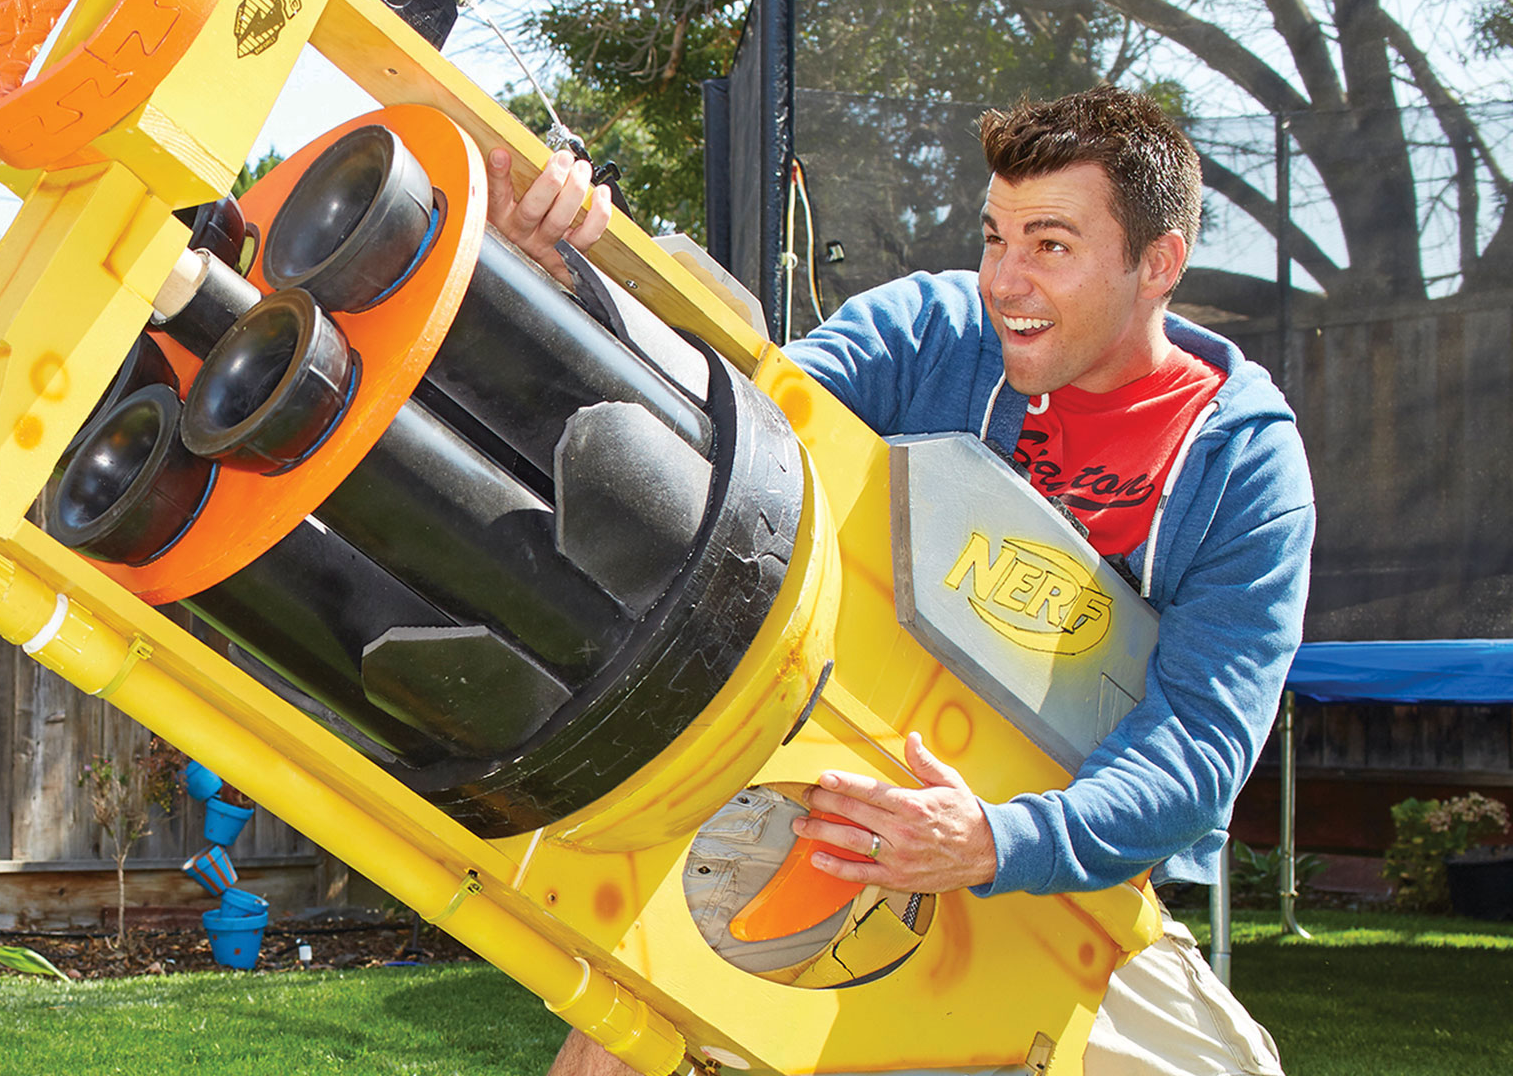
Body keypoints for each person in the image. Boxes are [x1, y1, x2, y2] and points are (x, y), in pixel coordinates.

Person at [490, 87, 1313, 1076]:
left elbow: (1192, 747)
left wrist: (993, 841)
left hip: (1045, 876)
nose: (1003, 279)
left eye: (1049, 245)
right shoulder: (931, 329)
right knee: (635, 1037)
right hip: (798, 795)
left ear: (1158, 265)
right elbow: (741, 425)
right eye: (994, 235)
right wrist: (569, 285)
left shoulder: (1239, 469)